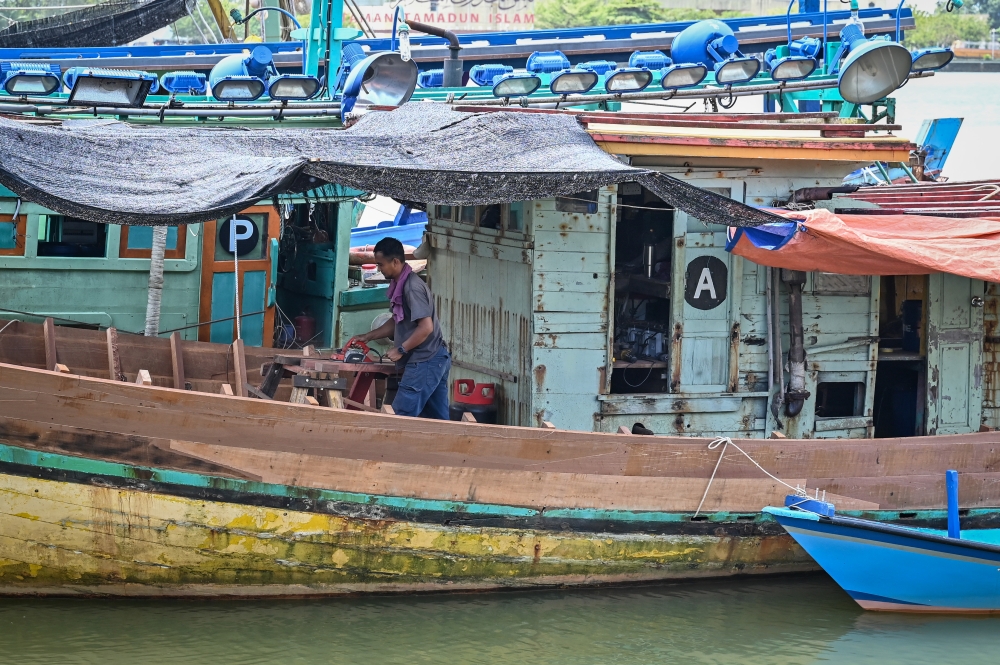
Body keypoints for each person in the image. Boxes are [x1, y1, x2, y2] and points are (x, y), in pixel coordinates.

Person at [353, 237, 451, 419]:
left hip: (425, 360)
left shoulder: (411, 288)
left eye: (381, 265)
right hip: (434, 358)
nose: (379, 269)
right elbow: (395, 321)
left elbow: (426, 327)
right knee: (438, 422)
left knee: (399, 418)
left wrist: (401, 349)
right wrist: (369, 336)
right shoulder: (399, 284)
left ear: (395, 262)